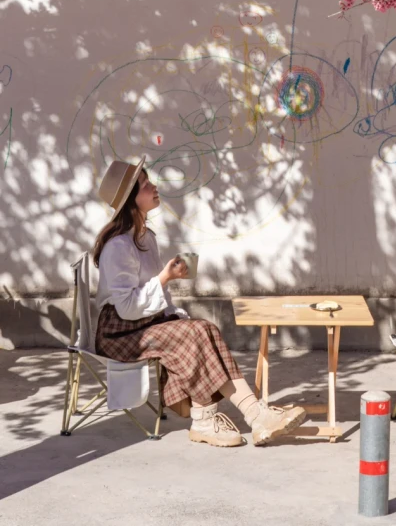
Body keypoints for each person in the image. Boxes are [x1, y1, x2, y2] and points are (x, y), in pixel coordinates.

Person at [93, 156, 307, 448]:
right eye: (145, 185)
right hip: (118, 333)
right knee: (191, 333)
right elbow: (127, 307)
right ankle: (212, 420)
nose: (154, 186)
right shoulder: (118, 246)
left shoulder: (145, 238)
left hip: (142, 324)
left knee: (202, 328)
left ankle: (250, 417)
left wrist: (171, 300)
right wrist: (165, 278)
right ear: (132, 201)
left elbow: (152, 300)